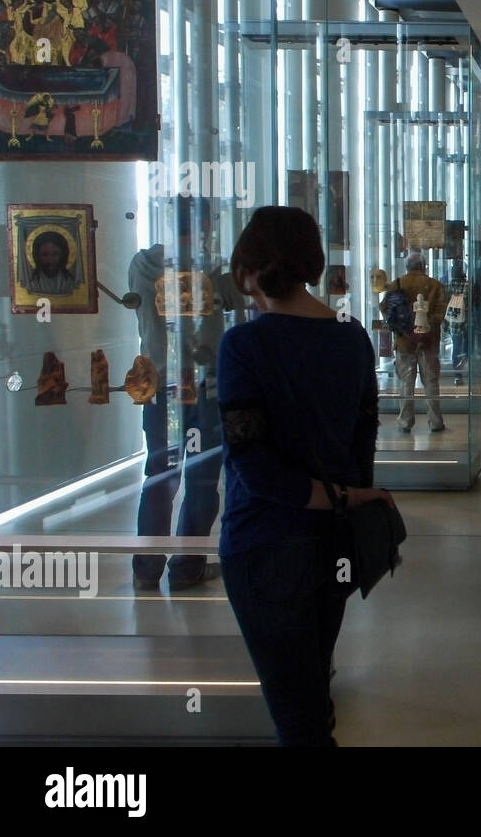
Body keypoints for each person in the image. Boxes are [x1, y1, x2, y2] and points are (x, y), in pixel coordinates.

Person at [217, 206, 391, 747]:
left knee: (298, 715)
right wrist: (345, 498)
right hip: (335, 539)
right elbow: (362, 440)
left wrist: (329, 495)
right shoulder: (352, 336)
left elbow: (253, 464)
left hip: (265, 540)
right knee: (313, 689)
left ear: (249, 270)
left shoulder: (243, 345)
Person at [129, 198, 241, 590]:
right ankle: (187, 567)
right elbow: (236, 302)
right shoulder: (213, 270)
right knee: (201, 481)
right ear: (206, 223)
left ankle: (146, 568)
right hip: (203, 387)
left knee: (158, 476)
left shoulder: (141, 264)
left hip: (159, 387)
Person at [380, 253, 446, 433]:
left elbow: (385, 309)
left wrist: (405, 328)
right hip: (429, 341)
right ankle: (436, 421)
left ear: (407, 266)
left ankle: (405, 421)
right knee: (431, 382)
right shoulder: (435, 285)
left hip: (404, 341)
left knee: (406, 383)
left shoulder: (397, 284)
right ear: (424, 266)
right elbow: (440, 313)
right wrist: (425, 329)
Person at [25, 231, 79, 295]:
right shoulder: (33, 283)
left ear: (62, 255)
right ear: (37, 256)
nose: (50, 260)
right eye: (45, 255)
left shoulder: (70, 282)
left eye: (55, 254)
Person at [445, 261, 469, 386]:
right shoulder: (467, 285)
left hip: (453, 321)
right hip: (466, 320)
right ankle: (465, 357)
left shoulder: (449, 285)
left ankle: (457, 375)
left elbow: (445, 301)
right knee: (467, 343)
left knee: (456, 346)